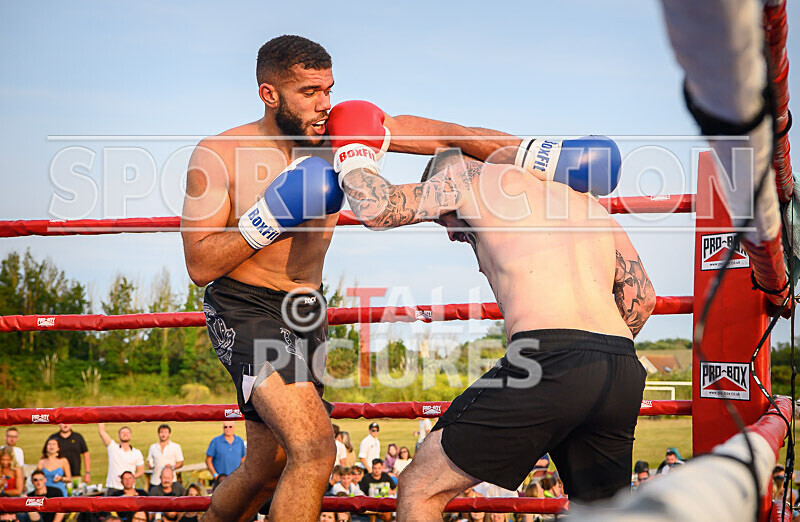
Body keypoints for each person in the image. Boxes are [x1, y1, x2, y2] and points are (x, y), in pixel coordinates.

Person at [180, 33, 520, 522]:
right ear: (269, 94)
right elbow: (200, 264)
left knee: (267, 463)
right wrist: (268, 219)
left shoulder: (342, 136)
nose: (324, 104)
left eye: (329, 89)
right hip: (244, 306)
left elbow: (450, 134)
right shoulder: (219, 153)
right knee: (315, 450)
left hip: (306, 311)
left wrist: (537, 155)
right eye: (310, 92)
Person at [333, 146, 654, 518]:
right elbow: (642, 298)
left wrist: (353, 153)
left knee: (419, 488)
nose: (452, 234)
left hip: (549, 360)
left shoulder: (468, 179)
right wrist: (590, 358)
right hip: (620, 367)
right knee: (603, 513)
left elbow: (378, 208)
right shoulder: (584, 202)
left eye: (444, 218)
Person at [98, 423, 145, 494]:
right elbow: (102, 432)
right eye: (122, 432)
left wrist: (128, 478)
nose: (125, 434)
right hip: (113, 487)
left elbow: (141, 471)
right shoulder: (113, 447)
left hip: (129, 489)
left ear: (131, 435)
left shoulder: (136, 452)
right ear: (118, 435)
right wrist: (99, 415)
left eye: (127, 432)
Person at [146, 424, 184, 494]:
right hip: (155, 480)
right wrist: (149, 465)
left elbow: (180, 462)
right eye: (161, 432)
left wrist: (172, 467)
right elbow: (149, 461)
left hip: (170, 481)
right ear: (158, 434)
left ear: (169, 434)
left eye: (165, 432)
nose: (163, 434)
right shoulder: (153, 447)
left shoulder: (176, 447)